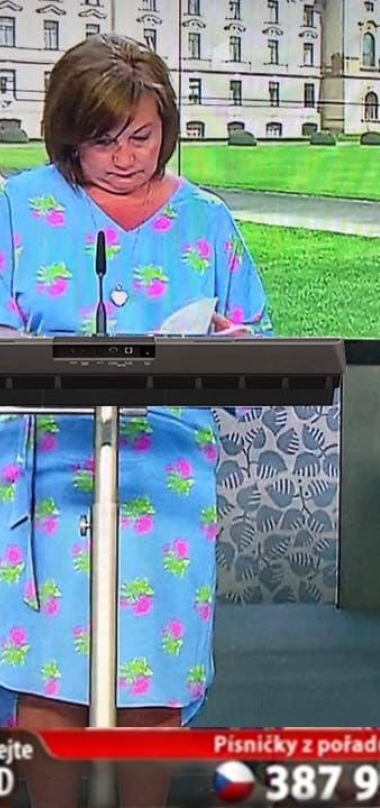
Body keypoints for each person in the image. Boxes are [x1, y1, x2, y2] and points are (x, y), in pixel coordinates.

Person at [0, 34, 271, 806]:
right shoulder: (16, 207)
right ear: (67, 135)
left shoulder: (208, 221)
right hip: (46, 487)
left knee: (151, 684)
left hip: (164, 487)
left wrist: (227, 340)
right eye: (103, 140)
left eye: (142, 137)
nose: (125, 158)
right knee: (48, 683)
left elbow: (256, 347)